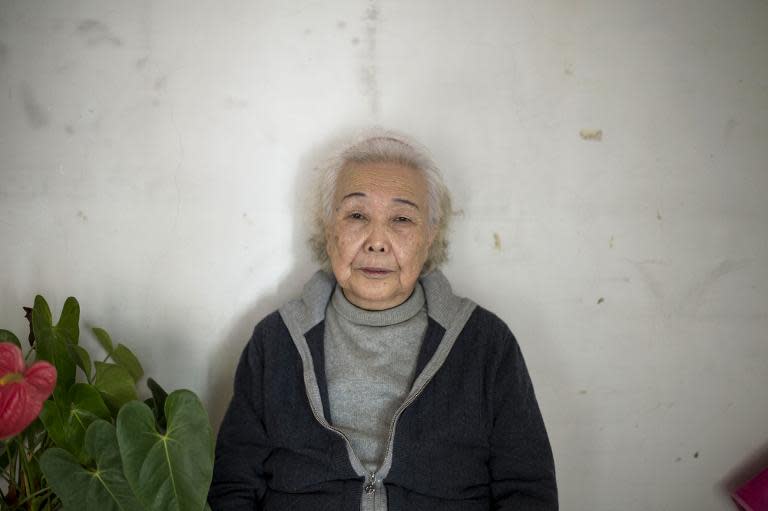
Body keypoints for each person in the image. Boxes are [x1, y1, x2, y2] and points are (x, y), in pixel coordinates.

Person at [208, 130, 558, 510]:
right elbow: (232, 487)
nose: (377, 241)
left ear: (429, 236)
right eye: (357, 215)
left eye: (402, 219)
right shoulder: (274, 342)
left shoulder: (486, 344)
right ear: (330, 230)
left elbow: (527, 492)